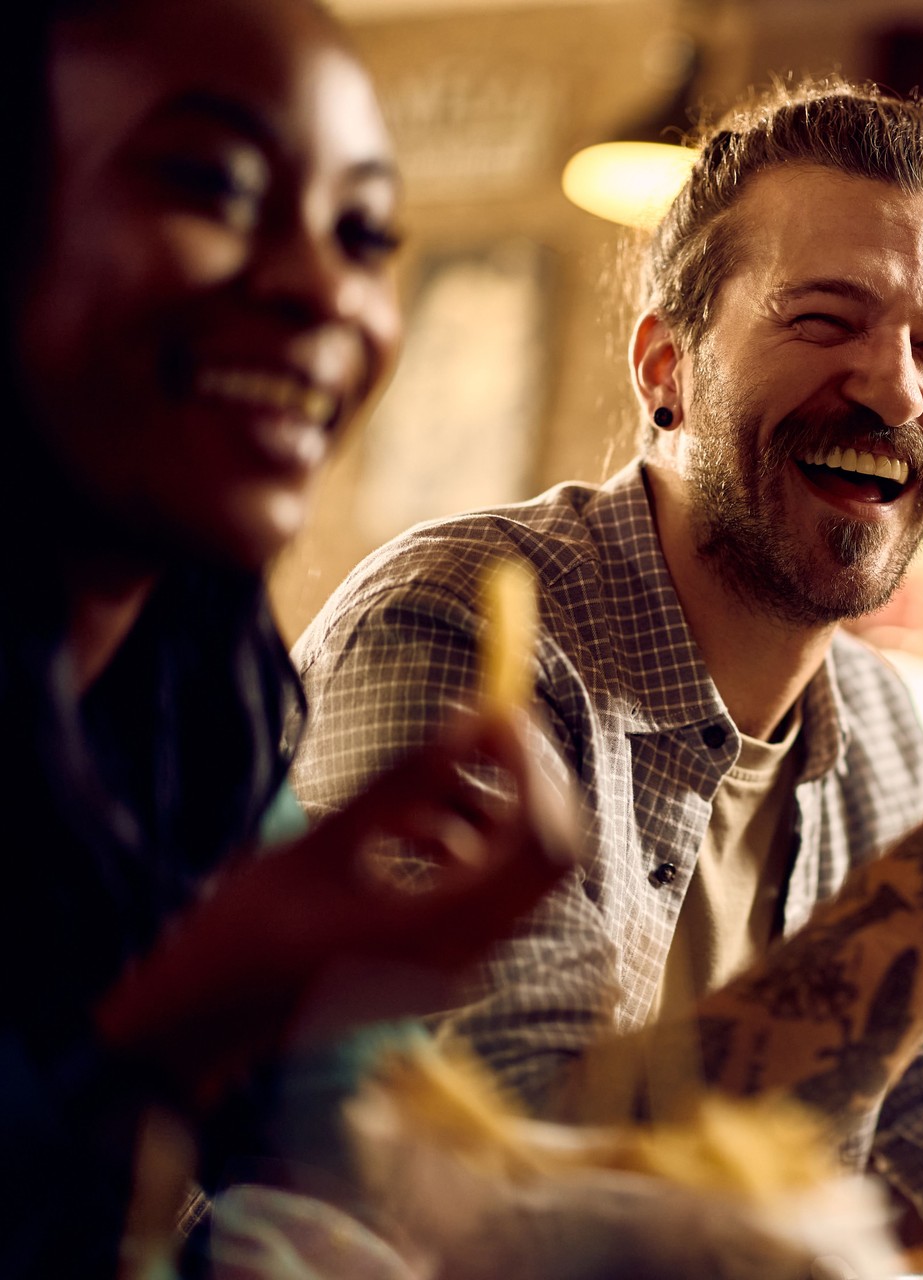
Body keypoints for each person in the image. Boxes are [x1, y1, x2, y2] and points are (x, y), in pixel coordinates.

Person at [291, 80, 923, 1278]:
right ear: (667, 364)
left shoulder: (873, 722)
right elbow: (509, 1202)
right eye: (825, 320)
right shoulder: (466, 631)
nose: (899, 388)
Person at [0, 0, 575, 1273]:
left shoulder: (201, 714)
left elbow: (373, 1179)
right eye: (212, 186)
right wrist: (192, 1021)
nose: (323, 288)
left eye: (364, 233)